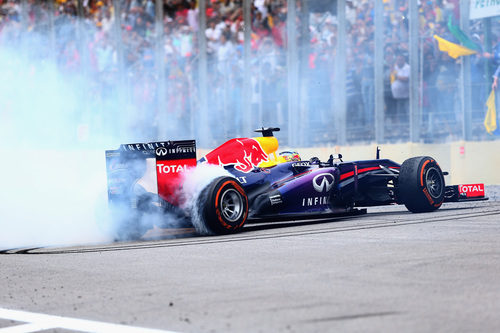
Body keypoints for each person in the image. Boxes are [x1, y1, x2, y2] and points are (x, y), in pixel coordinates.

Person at [391, 53, 410, 126]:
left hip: (407, 95)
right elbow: (392, 76)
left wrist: (397, 77)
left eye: (401, 60)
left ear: (404, 60)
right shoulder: (395, 67)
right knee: (400, 113)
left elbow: (406, 79)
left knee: (408, 111)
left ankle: (410, 126)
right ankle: (403, 127)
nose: (399, 61)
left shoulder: (407, 67)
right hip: (397, 96)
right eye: (398, 60)